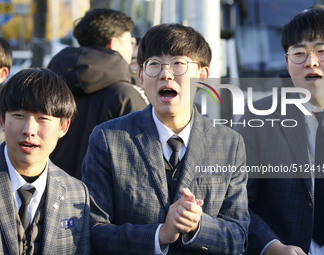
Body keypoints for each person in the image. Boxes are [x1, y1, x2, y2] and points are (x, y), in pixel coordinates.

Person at [81, 23, 249, 255]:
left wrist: (198, 225)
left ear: (201, 77)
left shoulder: (230, 143)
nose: (165, 74)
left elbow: (239, 235)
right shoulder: (108, 139)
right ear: (140, 77)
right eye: (154, 65)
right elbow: (93, 231)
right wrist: (160, 234)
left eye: (178, 64)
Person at [235, 5, 324, 255]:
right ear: (287, 60)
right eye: (299, 53)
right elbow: (237, 200)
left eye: (322, 51)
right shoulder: (258, 117)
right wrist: (270, 246)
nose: (310, 62)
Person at [48, 8, 148, 179]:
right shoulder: (126, 94)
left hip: (52, 194)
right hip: (105, 201)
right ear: (113, 43)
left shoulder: (50, 83)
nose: (132, 48)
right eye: (130, 41)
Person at [0, 68, 90, 254]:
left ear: (63, 127)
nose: (29, 130)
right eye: (19, 116)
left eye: (43, 118)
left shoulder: (76, 193)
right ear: (1, 120)